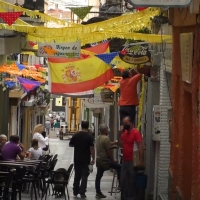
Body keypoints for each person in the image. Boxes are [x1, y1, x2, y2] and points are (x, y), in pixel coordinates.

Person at [118, 116, 144, 200]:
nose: (125, 125)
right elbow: (121, 144)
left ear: (131, 123)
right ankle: (124, 197)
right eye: (124, 123)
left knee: (131, 181)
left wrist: (141, 161)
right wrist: (119, 134)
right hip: (125, 160)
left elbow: (140, 147)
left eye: (126, 123)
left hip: (132, 160)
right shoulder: (124, 133)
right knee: (123, 181)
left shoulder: (135, 133)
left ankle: (132, 197)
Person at [69, 121, 95, 198]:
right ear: (88, 126)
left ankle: (75, 191)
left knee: (77, 175)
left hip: (77, 158)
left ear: (81, 126)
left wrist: (77, 145)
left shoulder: (76, 135)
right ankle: (82, 192)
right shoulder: (90, 137)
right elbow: (92, 148)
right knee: (84, 176)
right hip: (86, 159)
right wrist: (93, 158)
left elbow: (70, 144)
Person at [95, 124, 121, 198]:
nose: (108, 129)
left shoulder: (98, 137)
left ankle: (98, 192)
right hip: (105, 161)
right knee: (119, 167)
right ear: (104, 130)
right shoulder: (106, 138)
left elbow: (107, 145)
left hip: (99, 160)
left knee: (98, 176)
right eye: (107, 128)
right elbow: (108, 151)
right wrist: (113, 160)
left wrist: (115, 143)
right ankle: (120, 184)